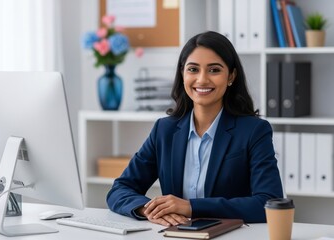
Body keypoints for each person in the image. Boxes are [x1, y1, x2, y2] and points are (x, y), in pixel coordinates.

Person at [107, 31, 283, 227]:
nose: (202, 80)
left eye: (214, 70)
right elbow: (120, 189)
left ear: (231, 76)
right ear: (183, 74)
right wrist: (149, 210)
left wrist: (191, 207)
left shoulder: (254, 131)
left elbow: (268, 203)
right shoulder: (164, 130)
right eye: (193, 69)